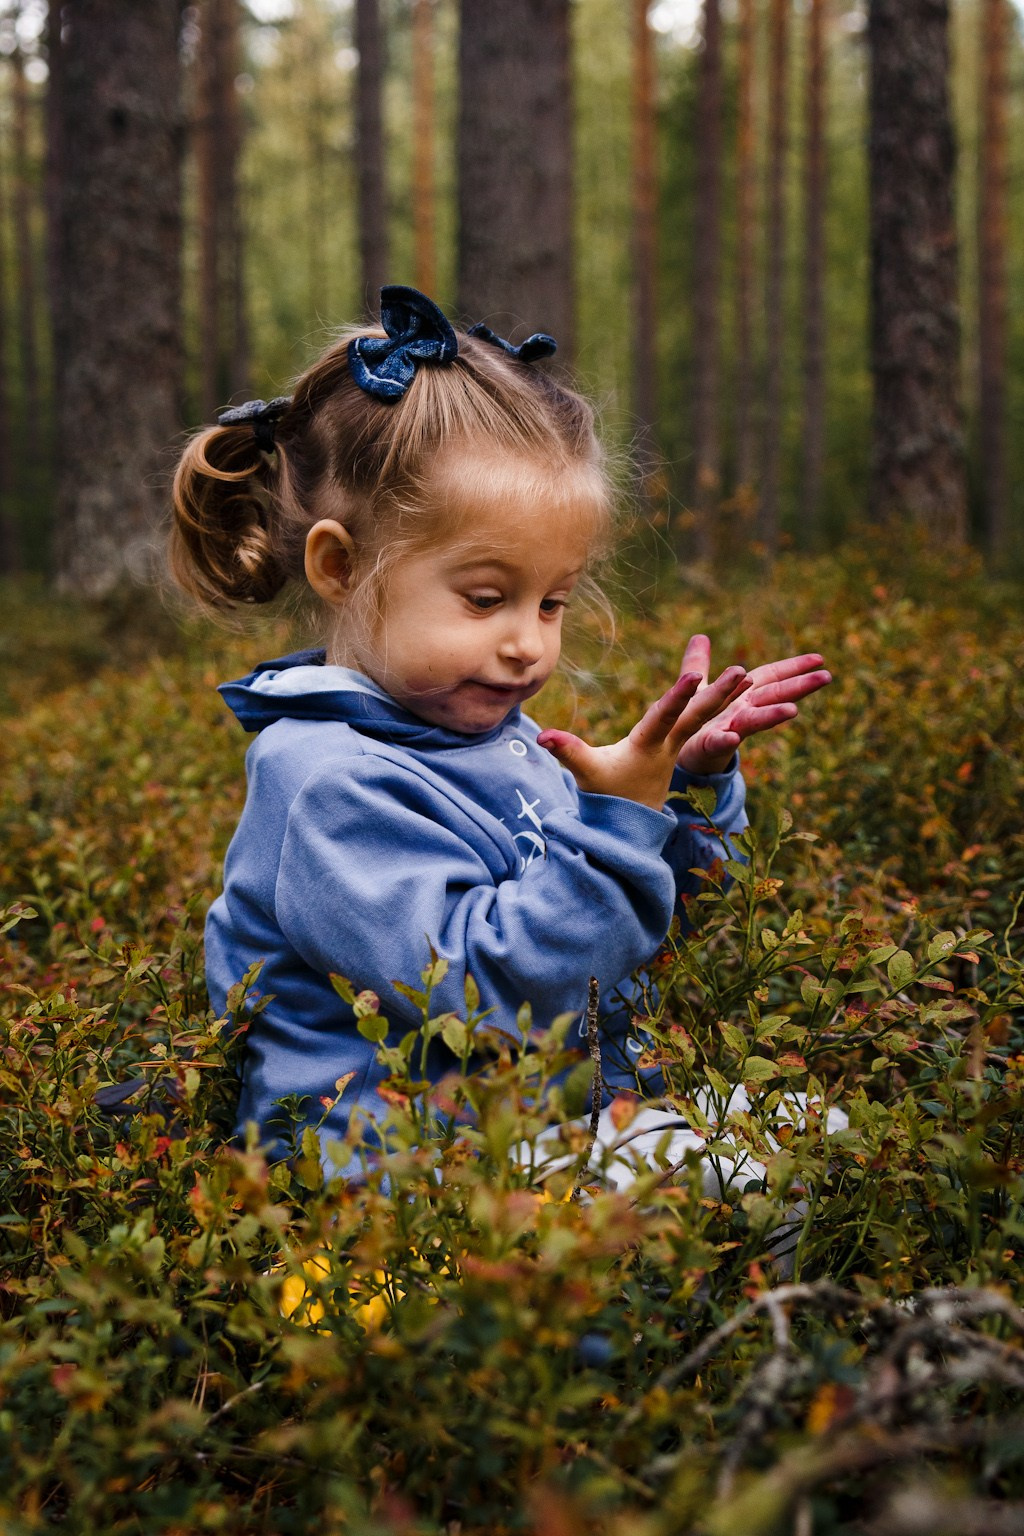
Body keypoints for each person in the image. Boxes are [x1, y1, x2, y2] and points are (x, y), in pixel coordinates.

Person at [170, 286, 830, 1176]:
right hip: (401, 1191)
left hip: (536, 1134)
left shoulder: (491, 742)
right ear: (341, 566)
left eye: (552, 600)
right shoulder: (328, 780)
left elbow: (635, 939)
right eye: (486, 598)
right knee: (752, 1174)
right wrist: (615, 827)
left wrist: (686, 791)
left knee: (811, 1136)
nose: (527, 643)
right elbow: (482, 992)